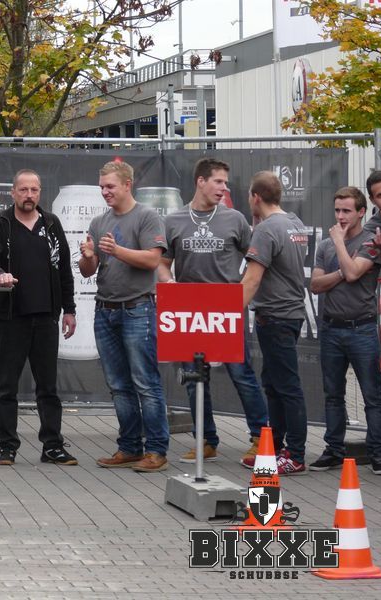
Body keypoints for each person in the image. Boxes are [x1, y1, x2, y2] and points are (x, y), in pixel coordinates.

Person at [158, 158, 268, 467]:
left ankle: (261, 438)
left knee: (242, 375)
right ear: (201, 181)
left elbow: (256, 260)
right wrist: (171, 286)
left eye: (226, 183)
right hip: (188, 310)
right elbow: (162, 265)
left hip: (226, 309)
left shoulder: (235, 219)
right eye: (218, 181)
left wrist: (240, 292)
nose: (223, 188)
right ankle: (205, 440)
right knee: (194, 378)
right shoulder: (174, 220)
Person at [0, 169, 78, 467]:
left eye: (34, 190)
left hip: (46, 317)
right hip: (12, 318)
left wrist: (69, 309)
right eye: (23, 190)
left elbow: (64, 270)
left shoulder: (51, 223)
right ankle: (7, 446)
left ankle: (53, 446)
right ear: (13, 192)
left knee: (48, 387)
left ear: (40, 192)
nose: (29, 195)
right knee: (7, 386)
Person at [79, 159, 170, 473]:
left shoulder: (147, 217)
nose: (105, 192)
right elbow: (89, 270)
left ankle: (156, 450)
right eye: (102, 187)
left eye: (110, 186)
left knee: (145, 382)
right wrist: (87, 257)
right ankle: (130, 447)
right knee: (118, 384)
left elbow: (153, 260)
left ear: (128, 185)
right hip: (105, 309)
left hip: (138, 309)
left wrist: (117, 251)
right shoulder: (99, 222)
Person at [310, 186, 381, 475]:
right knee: (333, 394)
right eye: (337, 210)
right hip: (331, 328)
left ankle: (378, 453)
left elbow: (354, 273)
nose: (340, 217)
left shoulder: (372, 242)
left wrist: (340, 245)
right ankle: (334, 450)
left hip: (361, 329)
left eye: (347, 211)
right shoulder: (325, 246)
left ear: (361, 212)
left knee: (372, 395)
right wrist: (341, 271)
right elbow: (315, 285)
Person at [241, 171, 308, 475]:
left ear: (256, 197)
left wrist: (228, 315)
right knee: (274, 384)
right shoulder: (294, 223)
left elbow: (252, 280)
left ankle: (295, 454)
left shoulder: (267, 230)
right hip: (289, 314)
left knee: (287, 387)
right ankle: (276, 449)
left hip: (275, 316)